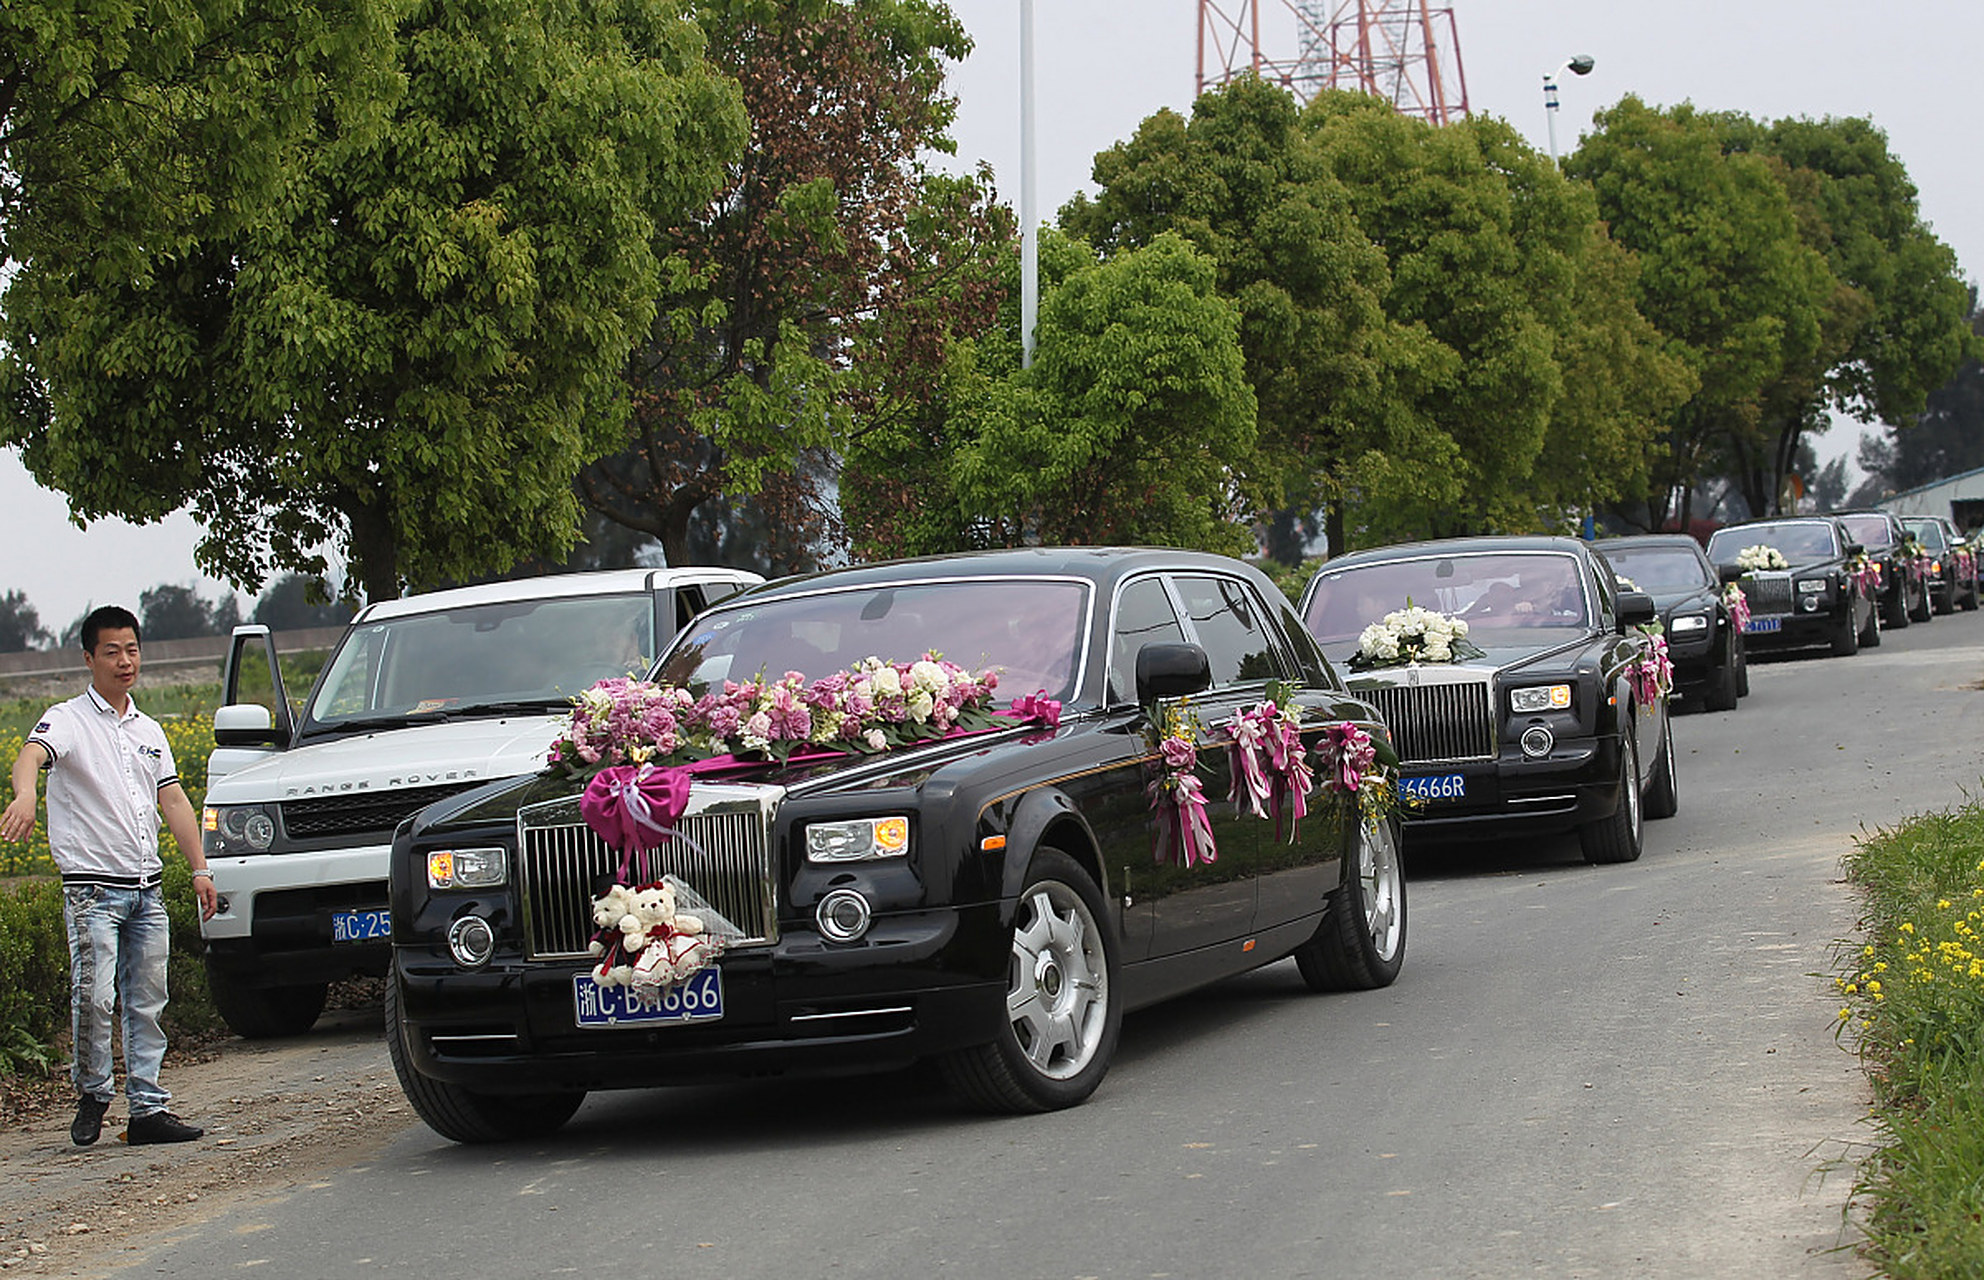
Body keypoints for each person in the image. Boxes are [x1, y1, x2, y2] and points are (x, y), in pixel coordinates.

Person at [0, 606, 218, 1146]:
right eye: (113, 652)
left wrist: (199, 868)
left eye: (132, 650)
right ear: (89, 658)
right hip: (94, 890)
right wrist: (25, 793)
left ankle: (147, 1108)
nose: (125, 662)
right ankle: (94, 1090)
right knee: (94, 998)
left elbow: (172, 799)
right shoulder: (68, 718)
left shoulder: (148, 729)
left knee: (147, 1001)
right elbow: (30, 756)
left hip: (146, 889)